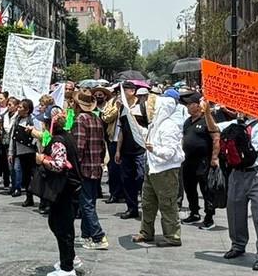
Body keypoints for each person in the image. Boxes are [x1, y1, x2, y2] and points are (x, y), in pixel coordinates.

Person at [220, 92, 258, 270]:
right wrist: (207, 110)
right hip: (237, 174)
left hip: (257, 174)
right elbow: (213, 127)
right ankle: (238, 245)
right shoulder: (235, 124)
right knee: (235, 211)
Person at [33, 109, 83, 276]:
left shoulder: (58, 142)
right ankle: (71, 258)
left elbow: (59, 165)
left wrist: (43, 160)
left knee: (63, 227)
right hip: (69, 188)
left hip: (65, 190)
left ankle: (67, 268)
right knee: (57, 223)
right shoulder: (67, 137)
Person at [133, 89, 184, 247]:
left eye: (155, 108)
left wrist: (153, 149)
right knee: (148, 203)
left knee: (167, 205)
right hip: (153, 168)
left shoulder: (169, 127)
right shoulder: (156, 124)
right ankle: (146, 232)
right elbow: (148, 135)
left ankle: (172, 236)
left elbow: (169, 152)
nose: (152, 110)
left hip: (165, 171)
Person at [113, 81, 157, 221]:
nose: (121, 94)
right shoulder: (122, 109)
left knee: (140, 177)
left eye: (123, 91)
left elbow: (150, 127)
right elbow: (121, 131)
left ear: (131, 91)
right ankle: (131, 208)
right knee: (127, 180)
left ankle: (146, 205)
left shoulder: (143, 107)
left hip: (140, 150)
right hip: (126, 150)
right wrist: (118, 151)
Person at [72, 89, 108, 251]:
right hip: (96, 166)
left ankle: (98, 236)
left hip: (84, 166)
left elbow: (79, 146)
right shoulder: (96, 118)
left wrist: (73, 165)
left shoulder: (80, 120)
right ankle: (86, 235)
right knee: (90, 202)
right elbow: (102, 145)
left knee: (86, 203)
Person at [180, 93, 219, 229]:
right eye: (187, 104)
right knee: (189, 188)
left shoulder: (207, 120)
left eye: (191, 104)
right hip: (188, 161)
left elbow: (216, 138)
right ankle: (194, 212)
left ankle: (209, 216)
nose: (188, 107)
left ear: (199, 105)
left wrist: (214, 157)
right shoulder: (187, 121)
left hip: (203, 161)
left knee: (206, 189)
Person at [8, 98, 37, 202]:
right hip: (19, 152)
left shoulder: (33, 120)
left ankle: (41, 197)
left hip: (31, 152)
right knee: (24, 175)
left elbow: (38, 136)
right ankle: (29, 198)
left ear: (27, 110)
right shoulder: (17, 120)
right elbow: (13, 137)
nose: (18, 109)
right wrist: (11, 152)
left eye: (20, 107)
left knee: (33, 174)